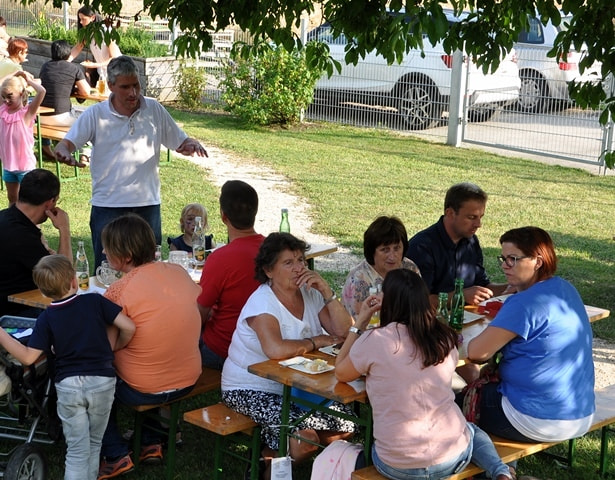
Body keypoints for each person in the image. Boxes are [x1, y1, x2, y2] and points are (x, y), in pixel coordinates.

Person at [335, 269, 513, 480]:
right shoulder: (445, 337)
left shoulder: (375, 340)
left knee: (378, 446)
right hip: (452, 456)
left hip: (397, 465)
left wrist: (359, 324)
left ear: (389, 301)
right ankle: (501, 471)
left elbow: (341, 372)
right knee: (471, 430)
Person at [53, 55, 208, 269]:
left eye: (136, 85)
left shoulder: (154, 109)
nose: (133, 92)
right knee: (107, 270)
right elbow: (66, 144)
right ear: (111, 86)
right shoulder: (95, 114)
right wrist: (63, 152)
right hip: (108, 205)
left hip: (147, 204)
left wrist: (190, 144)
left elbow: (180, 141)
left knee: (148, 269)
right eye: (125, 87)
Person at [222, 232, 356, 479]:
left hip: (295, 385)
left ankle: (268, 454)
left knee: (347, 426)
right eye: (288, 262)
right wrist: (315, 341)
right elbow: (275, 349)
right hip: (251, 387)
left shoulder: (310, 293)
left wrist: (327, 292)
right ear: (268, 271)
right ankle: (270, 468)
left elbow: (345, 331)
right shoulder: (263, 302)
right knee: (304, 441)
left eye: (301, 260)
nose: (298, 268)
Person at [0, 254, 135, 480]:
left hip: (69, 385)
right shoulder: (95, 301)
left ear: (43, 292)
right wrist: (114, 347)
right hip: (102, 381)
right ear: (74, 280)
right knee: (95, 443)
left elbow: (28, 358)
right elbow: (129, 327)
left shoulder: (46, 318)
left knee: (76, 451)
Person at [465, 226, 595, 446]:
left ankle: (492, 463)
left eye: (513, 259)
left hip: (536, 419)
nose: (504, 265)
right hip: (580, 413)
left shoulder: (524, 303)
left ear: (538, 261)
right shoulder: (565, 288)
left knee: (450, 403)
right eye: (503, 258)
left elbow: (477, 353)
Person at [98, 214, 202, 479]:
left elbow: (105, 347)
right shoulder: (178, 273)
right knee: (153, 351)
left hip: (142, 389)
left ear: (126, 255)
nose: (104, 252)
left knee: (94, 374)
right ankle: (150, 441)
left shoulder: (119, 290)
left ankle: (114, 453)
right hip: (187, 379)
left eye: (108, 247)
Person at [406, 182, 511, 307]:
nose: (478, 224)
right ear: (450, 213)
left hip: (468, 316)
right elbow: (418, 301)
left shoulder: (471, 241)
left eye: (480, 217)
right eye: (471, 217)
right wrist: (460, 295)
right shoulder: (421, 247)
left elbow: (483, 286)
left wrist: (514, 287)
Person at [198, 180, 264, 369]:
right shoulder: (274, 250)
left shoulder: (220, 258)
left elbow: (199, 313)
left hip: (225, 349)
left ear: (223, 216)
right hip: (268, 344)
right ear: (255, 212)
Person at [0, 168, 71, 317]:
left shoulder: (6, 218)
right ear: (50, 203)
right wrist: (64, 229)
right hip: (16, 313)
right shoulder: (22, 236)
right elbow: (63, 278)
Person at [342, 215, 420, 319]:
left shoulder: (410, 269)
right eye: (385, 250)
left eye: (397, 248)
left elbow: (420, 309)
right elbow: (355, 324)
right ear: (372, 251)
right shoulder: (358, 281)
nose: (392, 256)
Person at [38, 39, 90, 160]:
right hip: (61, 118)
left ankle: (47, 146)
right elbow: (86, 92)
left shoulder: (45, 67)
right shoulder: (73, 68)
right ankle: (85, 153)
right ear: (68, 52)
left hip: (41, 118)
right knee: (88, 121)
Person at [0, 71, 45, 204]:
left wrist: (28, 81)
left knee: (28, 201)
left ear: (20, 93)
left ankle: (30, 219)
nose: (6, 100)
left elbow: (41, 91)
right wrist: (14, 74)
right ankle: (12, 217)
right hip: (8, 165)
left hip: (24, 167)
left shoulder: (27, 113)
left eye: (10, 96)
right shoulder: (2, 110)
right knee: (12, 198)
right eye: (3, 97)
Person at [68, 6, 121, 87]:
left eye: (83, 19)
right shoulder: (88, 33)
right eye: (80, 19)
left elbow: (114, 58)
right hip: (103, 73)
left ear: (92, 18)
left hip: (117, 72)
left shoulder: (106, 32)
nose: (81, 22)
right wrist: (65, 61)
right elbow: (78, 47)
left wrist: (94, 65)